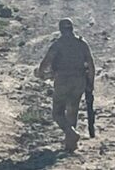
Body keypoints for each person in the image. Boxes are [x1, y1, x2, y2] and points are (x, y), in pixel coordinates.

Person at [34, 18, 95, 152]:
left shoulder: (58, 44)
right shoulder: (81, 43)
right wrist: (91, 83)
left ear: (61, 29)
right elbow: (91, 64)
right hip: (79, 81)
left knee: (57, 113)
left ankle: (71, 133)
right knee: (73, 110)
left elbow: (47, 61)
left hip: (62, 80)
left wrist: (40, 73)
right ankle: (70, 144)